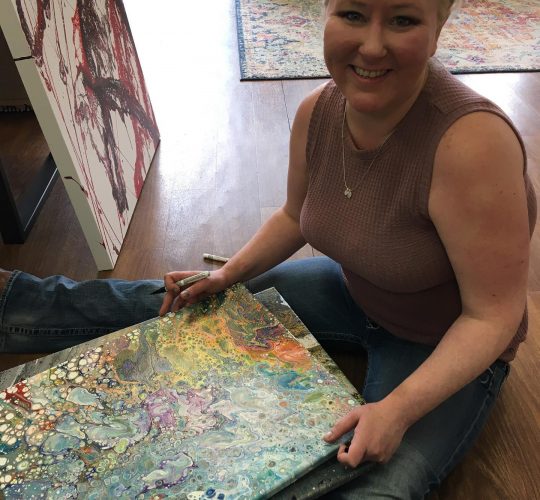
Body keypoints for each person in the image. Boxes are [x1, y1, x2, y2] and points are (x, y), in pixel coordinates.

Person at [0, 0, 536, 497]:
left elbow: (493, 315)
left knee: (374, 483)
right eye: (353, 14)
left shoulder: (472, 143)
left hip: (443, 343)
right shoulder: (317, 111)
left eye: (402, 19)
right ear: (325, 14)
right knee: (188, 301)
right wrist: (227, 275)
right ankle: (16, 303)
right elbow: (293, 216)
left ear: (439, 27)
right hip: (355, 291)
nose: (372, 46)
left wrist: (395, 410)